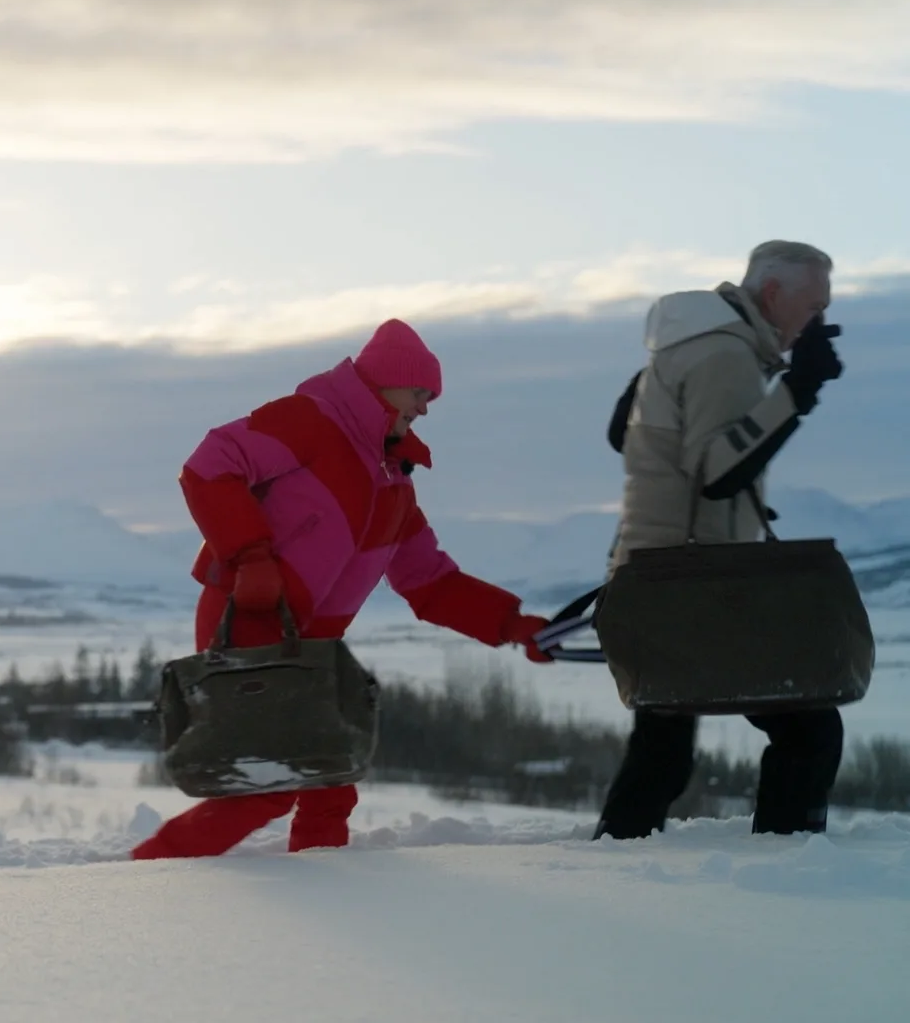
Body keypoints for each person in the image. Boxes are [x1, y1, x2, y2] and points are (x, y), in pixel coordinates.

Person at [132, 319, 555, 860]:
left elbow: (431, 582)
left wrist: (514, 625)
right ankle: (147, 879)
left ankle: (327, 883)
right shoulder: (311, 420)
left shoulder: (393, 485)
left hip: (315, 650)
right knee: (266, 789)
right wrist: (251, 556)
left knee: (330, 779)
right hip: (250, 616)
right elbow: (211, 464)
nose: (425, 408)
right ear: (384, 383)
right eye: (419, 392)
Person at [595, 240, 845, 840]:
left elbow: (619, 435)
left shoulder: (689, 340)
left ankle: (613, 864)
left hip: (662, 573)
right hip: (694, 584)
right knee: (808, 730)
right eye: (813, 308)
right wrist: (799, 392)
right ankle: (790, 867)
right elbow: (717, 473)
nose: (819, 324)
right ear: (773, 295)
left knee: (663, 750)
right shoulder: (724, 353)